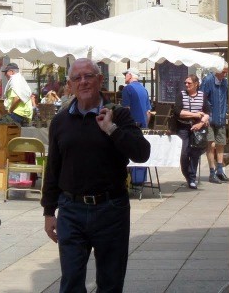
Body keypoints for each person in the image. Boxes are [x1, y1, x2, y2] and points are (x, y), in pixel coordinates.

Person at [42, 58, 150, 293]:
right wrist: (49, 211)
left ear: (100, 80)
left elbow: (142, 153)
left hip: (110, 209)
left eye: (88, 76)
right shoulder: (61, 121)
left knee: (110, 282)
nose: (83, 82)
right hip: (71, 209)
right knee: (70, 281)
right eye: (77, 78)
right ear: (69, 85)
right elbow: (53, 168)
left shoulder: (118, 115)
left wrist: (112, 130)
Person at [175, 74, 211, 190]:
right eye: (185, 83)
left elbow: (207, 113)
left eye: (189, 83)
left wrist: (201, 123)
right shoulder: (181, 95)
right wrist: (195, 114)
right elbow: (178, 112)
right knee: (184, 153)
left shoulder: (202, 95)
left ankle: (192, 178)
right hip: (183, 127)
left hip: (198, 128)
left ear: (196, 84)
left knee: (195, 153)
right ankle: (188, 175)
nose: (186, 85)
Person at [201, 64, 229, 184]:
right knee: (211, 145)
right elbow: (202, 98)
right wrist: (207, 114)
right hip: (210, 118)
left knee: (221, 144)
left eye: (226, 72)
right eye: (223, 72)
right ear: (216, 71)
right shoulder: (208, 80)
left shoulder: (225, 82)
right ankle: (212, 172)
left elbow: (226, 98)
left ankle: (220, 170)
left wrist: (226, 111)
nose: (225, 74)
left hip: (221, 117)